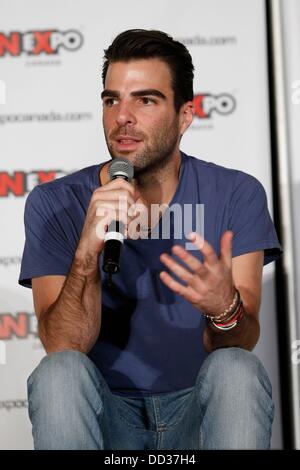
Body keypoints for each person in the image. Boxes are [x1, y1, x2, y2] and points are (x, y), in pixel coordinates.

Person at [19, 29, 282, 450]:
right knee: (58, 373)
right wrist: (88, 250)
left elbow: (242, 338)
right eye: (111, 100)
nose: (123, 116)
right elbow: (64, 345)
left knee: (237, 369)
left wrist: (224, 308)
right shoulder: (56, 203)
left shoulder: (236, 193)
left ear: (185, 116)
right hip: (107, 419)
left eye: (145, 100)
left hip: (195, 415)